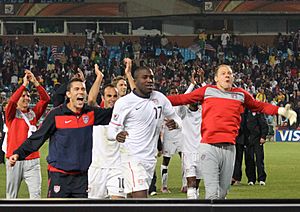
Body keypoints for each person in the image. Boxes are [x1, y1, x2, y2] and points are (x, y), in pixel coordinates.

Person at [167, 64, 297, 199]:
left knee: (223, 194)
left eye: (229, 73)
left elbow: (258, 105)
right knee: (212, 194)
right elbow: (181, 99)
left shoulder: (240, 94)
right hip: (209, 147)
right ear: (216, 78)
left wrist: (280, 110)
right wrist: (155, 99)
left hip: (229, 148)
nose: (227, 75)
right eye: (223, 73)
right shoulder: (207, 91)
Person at [9, 71, 113, 198]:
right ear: (68, 94)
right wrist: (19, 153)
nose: (81, 92)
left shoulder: (90, 113)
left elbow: (113, 114)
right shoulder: (56, 115)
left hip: (82, 178)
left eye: (83, 89)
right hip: (59, 176)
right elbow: (38, 137)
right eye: (76, 89)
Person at [107, 66, 182, 198]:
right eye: (145, 77)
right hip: (132, 157)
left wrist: (175, 123)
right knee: (142, 198)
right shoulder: (124, 103)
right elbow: (111, 130)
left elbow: (177, 119)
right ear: (135, 81)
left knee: (133, 197)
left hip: (150, 159)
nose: (149, 80)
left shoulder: (160, 98)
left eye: (151, 77)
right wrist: (116, 135)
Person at [5, 70, 50, 199]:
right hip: (14, 159)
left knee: (36, 197)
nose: (27, 98)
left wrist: (35, 82)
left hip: (33, 160)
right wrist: (23, 85)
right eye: (23, 95)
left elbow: (46, 99)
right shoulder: (11, 115)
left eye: (28, 95)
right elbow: (12, 102)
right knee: (11, 197)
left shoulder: (33, 114)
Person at [87, 64, 125, 199]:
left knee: (119, 204)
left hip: (117, 167)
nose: (112, 99)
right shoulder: (98, 114)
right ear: (103, 97)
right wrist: (99, 77)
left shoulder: (123, 115)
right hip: (97, 167)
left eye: (115, 96)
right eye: (109, 95)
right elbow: (91, 100)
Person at [160, 86, 186, 194]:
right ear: (168, 94)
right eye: (172, 92)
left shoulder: (181, 106)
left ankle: (185, 185)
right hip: (168, 137)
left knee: (184, 160)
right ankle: (164, 186)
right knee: (166, 161)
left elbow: (183, 118)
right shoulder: (164, 106)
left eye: (176, 92)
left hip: (180, 136)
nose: (174, 94)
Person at [245, 109, 269, 186]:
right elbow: (242, 125)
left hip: (257, 139)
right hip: (248, 139)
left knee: (259, 159)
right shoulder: (245, 112)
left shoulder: (259, 113)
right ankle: (251, 179)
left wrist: (263, 136)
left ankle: (261, 179)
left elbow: (264, 125)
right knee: (249, 159)